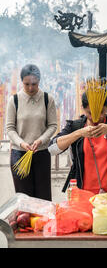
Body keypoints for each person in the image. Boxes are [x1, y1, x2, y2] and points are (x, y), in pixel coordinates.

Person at [6, 64, 58, 201]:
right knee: (23, 198)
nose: (30, 88)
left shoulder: (48, 99)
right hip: (20, 154)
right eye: (26, 84)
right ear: (21, 81)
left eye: (34, 84)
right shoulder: (14, 100)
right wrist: (22, 143)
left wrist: (40, 140)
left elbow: (53, 126)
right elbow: (10, 128)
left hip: (41, 153)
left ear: (39, 81)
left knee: (43, 197)